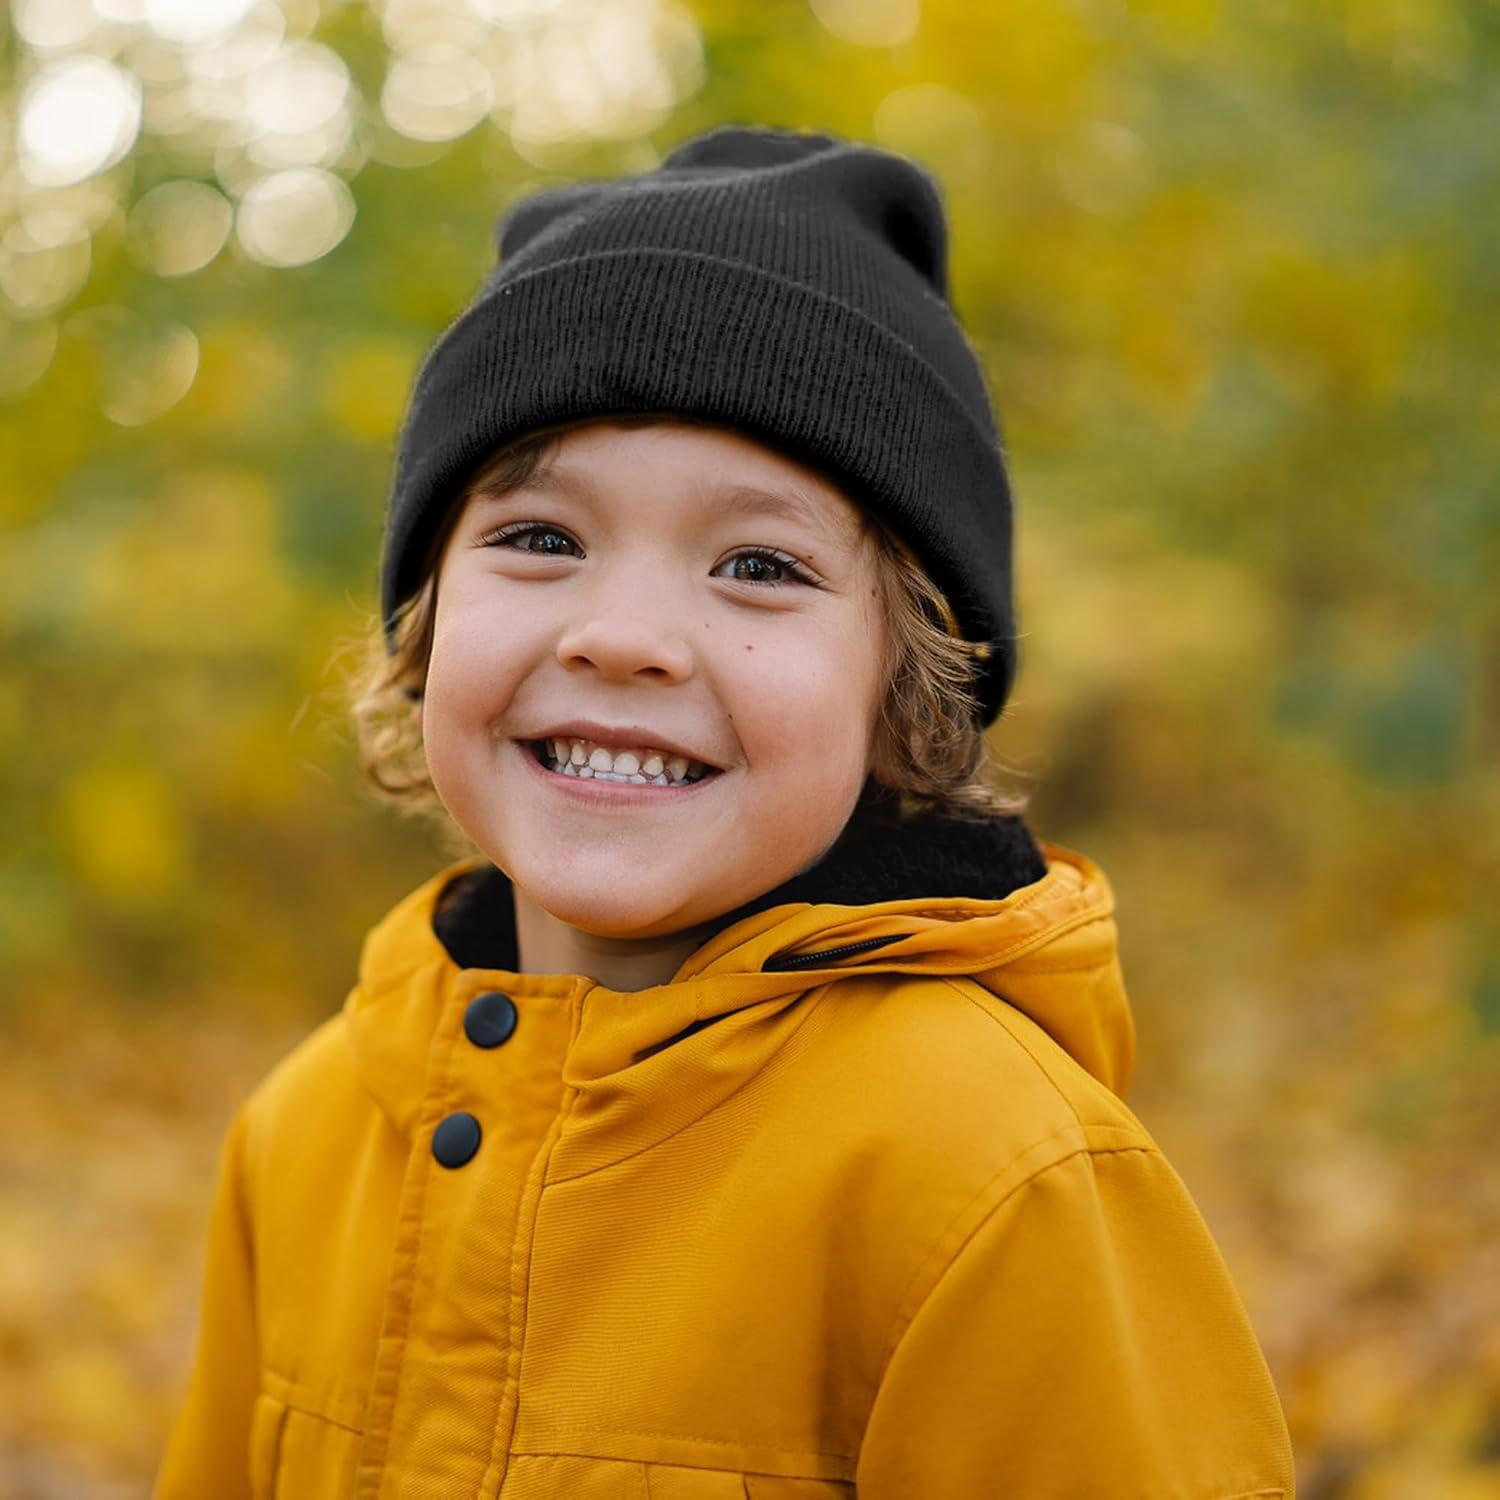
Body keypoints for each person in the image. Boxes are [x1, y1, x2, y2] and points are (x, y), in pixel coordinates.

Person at [154, 124, 1296, 1498]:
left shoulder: (997, 1179)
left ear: (907, 697)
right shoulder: (308, 1130)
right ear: (426, 628)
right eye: (540, 539)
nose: (624, 636)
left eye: (758, 565)